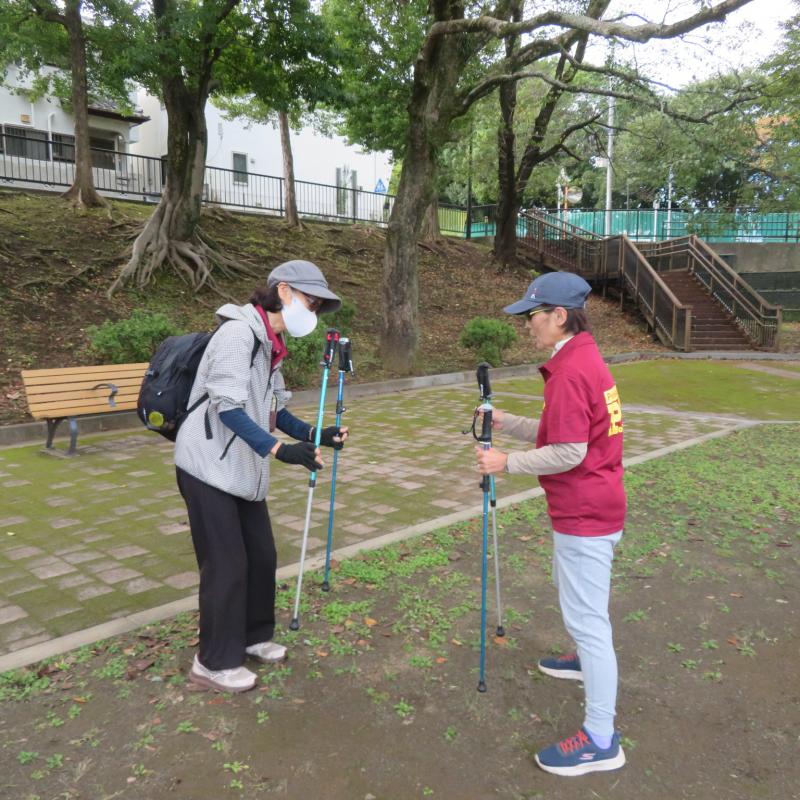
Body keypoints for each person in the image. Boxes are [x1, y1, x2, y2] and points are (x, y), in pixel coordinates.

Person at [475, 271, 626, 777]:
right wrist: (509, 423)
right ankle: (584, 659)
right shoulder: (583, 359)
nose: (528, 326)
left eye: (533, 316)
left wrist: (507, 463)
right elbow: (564, 427)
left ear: (559, 317)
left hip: (586, 511)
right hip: (595, 505)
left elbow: (568, 449)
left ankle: (601, 740)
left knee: (589, 620)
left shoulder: (570, 371)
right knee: (577, 598)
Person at [175, 260, 349, 693]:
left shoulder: (270, 343)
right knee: (227, 564)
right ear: (284, 291)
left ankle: (252, 637)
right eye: (312, 302)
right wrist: (278, 450)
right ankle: (212, 662)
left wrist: (315, 435)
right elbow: (228, 407)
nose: (314, 312)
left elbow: (273, 410)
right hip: (206, 465)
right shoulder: (238, 334)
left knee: (261, 556)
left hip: (241, 468)